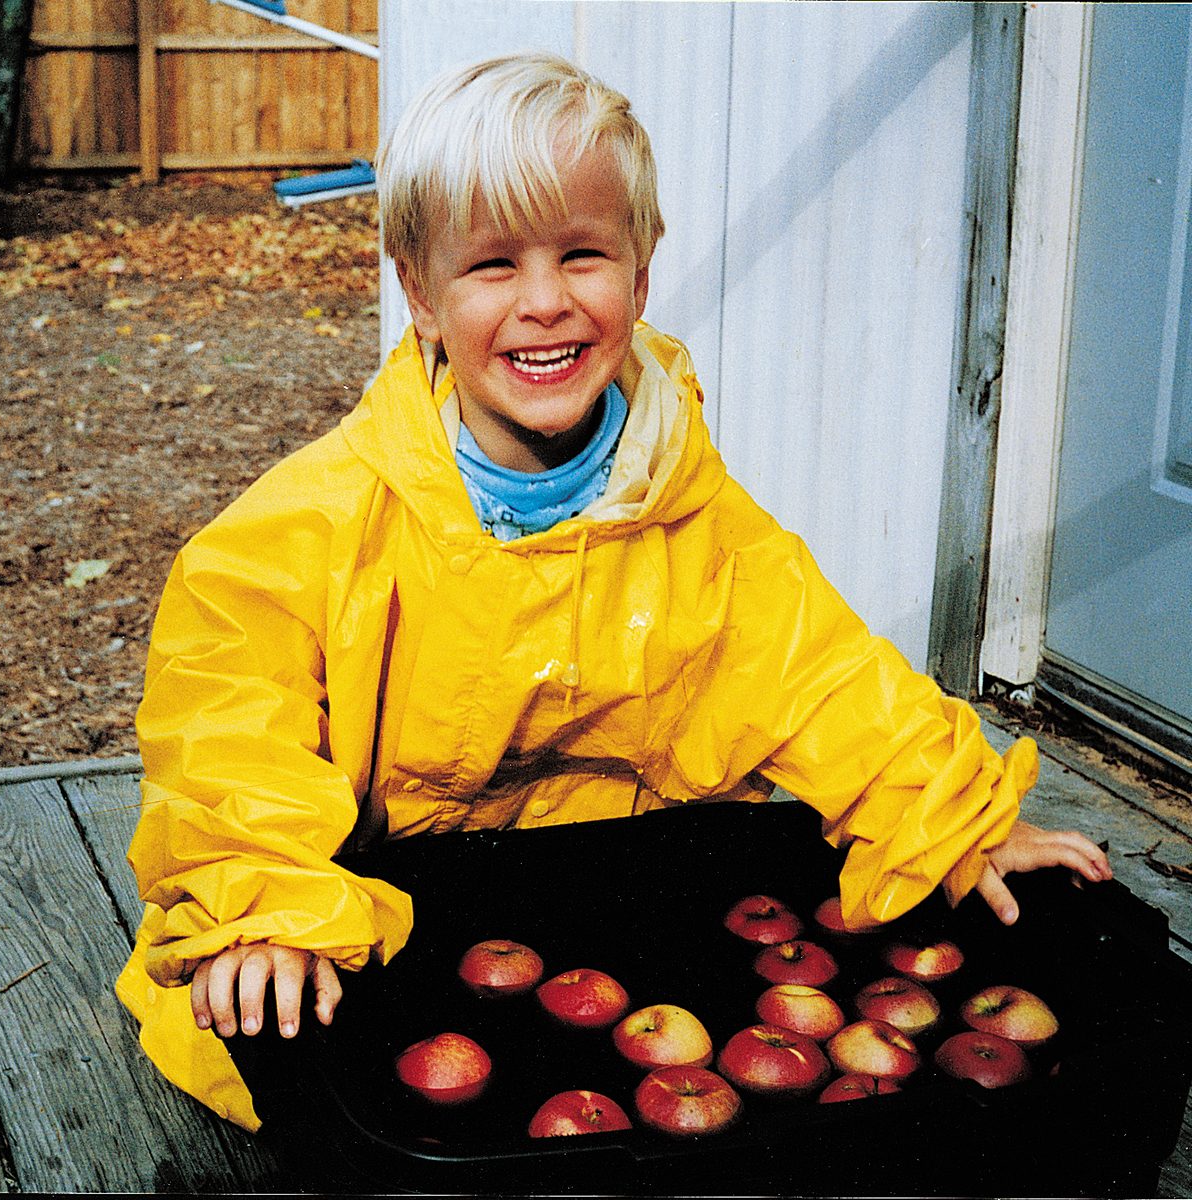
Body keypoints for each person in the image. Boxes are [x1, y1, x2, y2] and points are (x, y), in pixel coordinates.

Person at [116, 52, 1110, 1131]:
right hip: (381, 913)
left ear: (639, 278)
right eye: (493, 265)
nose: (546, 302)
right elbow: (225, 723)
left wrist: (950, 818)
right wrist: (259, 902)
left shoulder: (692, 515)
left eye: (583, 256)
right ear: (421, 293)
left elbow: (817, 673)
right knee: (349, 1100)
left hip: (630, 923)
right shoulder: (305, 530)